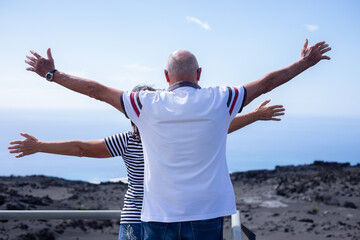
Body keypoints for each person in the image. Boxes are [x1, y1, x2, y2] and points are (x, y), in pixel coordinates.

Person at [24, 39, 331, 239]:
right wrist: (305, 62)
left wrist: (53, 74)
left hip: (158, 218)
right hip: (208, 214)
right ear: (199, 73)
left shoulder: (145, 105)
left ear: (166, 77)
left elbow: (97, 91)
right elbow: (266, 83)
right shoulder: (221, 100)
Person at [9, 97, 284, 240]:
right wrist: (256, 116)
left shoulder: (127, 140)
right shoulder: (174, 137)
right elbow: (216, 128)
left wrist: (40, 145)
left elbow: (82, 149)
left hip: (137, 221)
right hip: (166, 220)